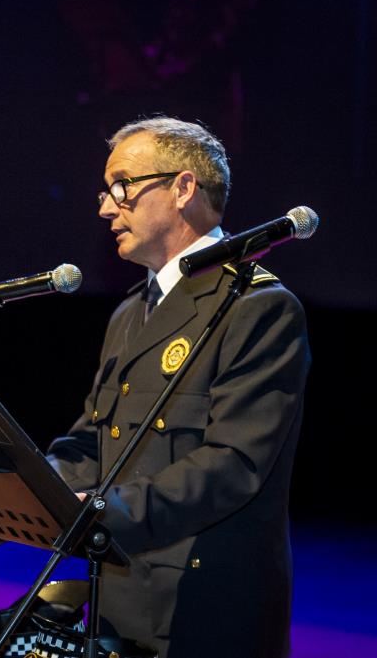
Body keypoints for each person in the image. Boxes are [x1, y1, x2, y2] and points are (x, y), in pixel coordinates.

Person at [45, 117, 310, 658]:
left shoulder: (258, 306)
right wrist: (12, 491)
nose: (104, 207)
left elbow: (232, 465)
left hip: (204, 609)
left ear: (183, 188)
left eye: (121, 186)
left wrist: (97, 513)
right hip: (120, 596)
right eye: (105, 191)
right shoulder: (127, 314)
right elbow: (92, 446)